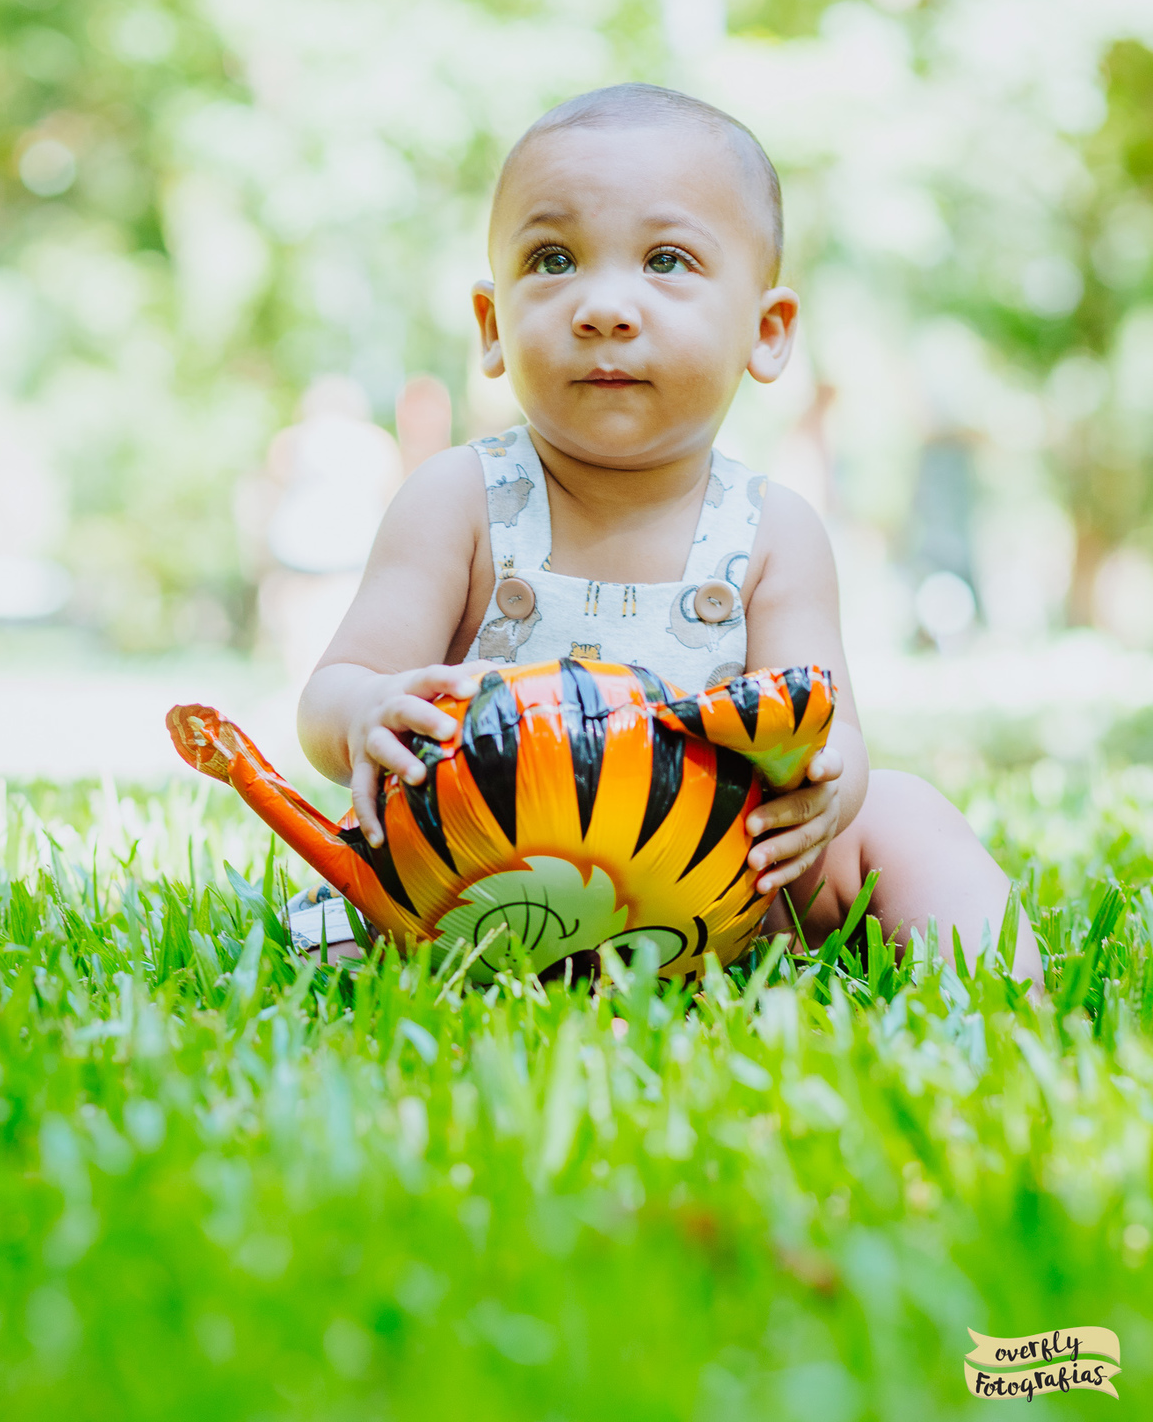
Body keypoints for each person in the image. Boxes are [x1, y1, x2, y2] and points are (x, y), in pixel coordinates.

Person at [296, 83, 1044, 988]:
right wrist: (366, 713)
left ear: (765, 334)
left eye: (667, 260)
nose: (603, 307)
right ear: (492, 327)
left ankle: (995, 993)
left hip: (721, 889)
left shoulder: (773, 534)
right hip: (478, 877)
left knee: (904, 813)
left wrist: (821, 783)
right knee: (349, 904)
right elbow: (333, 693)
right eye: (554, 258)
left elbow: (828, 732)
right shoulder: (460, 499)